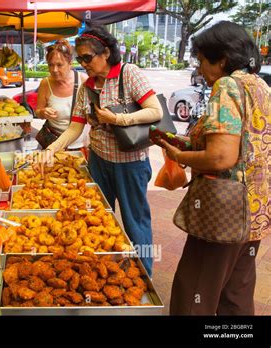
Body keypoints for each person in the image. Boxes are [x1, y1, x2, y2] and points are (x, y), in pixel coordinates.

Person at [159, 21, 270, 315]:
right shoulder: (260, 85)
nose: (199, 69)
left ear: (221, 60)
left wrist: (180, 156)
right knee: (236, 292)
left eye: (201, 60)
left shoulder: (227, 86)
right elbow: (245, 144)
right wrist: (187, 143)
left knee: (195, 290)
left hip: (224, 212)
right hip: (255, 208)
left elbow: (221, 157)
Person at [36, 26, 162, 276]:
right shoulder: (87, 87)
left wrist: (118, 120)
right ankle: (104, 270)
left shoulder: (128, 74)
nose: (83, 64)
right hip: (98, 162)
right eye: (80, 59)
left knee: (135, 221)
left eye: (87, 58)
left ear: (105, 53)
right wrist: (50, 149)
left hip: (130, 163)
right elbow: (74, 128)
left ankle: (145, 275)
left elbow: (155, 110)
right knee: (99, 219)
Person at [35, 39, 89, 150]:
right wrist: (43, 112)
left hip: (80, 145)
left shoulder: (83, 80)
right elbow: (38, 112)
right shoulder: (45, 84)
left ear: (70, 64)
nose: (54, 70)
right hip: (53, 144)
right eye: (51, 65)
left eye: (59, 65)